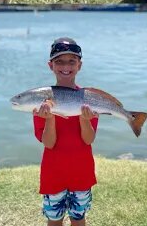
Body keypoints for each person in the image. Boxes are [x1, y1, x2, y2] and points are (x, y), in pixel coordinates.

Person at [34, 38, 98, 226]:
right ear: (51, 65)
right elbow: (49, 143)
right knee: (54, 221)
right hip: (53, 174)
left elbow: (89, 140)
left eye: (72, 61)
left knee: (78, 220)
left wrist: (85, 121)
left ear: (79, 65)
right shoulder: (42, 102)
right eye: (59, 61)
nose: (65, 66)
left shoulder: (89, 99)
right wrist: (50, 117)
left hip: (82, 172)